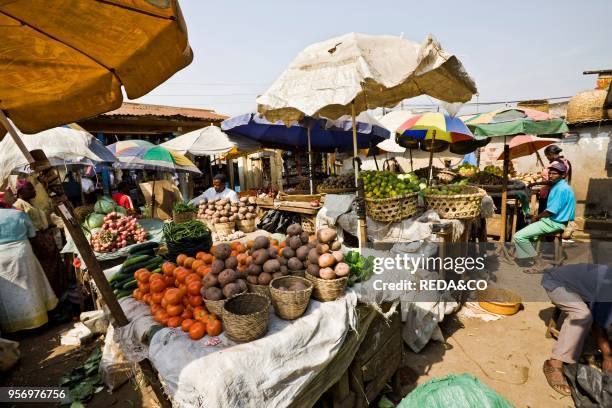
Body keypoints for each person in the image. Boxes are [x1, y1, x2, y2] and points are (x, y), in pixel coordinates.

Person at [541, 264, 612, 395]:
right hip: (556, 283)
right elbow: (597, 325)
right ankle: (554, 364)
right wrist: (607, 357)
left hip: (578, 287)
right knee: (583, 315)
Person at [0, 195, 58, 333]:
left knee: (8, 292)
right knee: (31, 287)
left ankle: (13, 327)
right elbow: (32, 235)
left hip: (1, 257)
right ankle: (39, 322)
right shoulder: (18, 215)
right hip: (22, 253)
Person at [513, 162, 575, 273]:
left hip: (554, 222)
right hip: (558, 221)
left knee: (518, 236)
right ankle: (527, 255)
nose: (551, 175)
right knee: (532, 236)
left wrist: (536, 217)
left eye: (554, 173)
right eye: (550, 173)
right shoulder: (564, 186)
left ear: (563, 175)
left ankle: (538, 262)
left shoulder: (560, 189)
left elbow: (550, 212)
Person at [13, 180, 66, 296]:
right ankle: (52, 297)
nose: (34, 191)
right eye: (30, 189)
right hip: (37, 241)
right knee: (47, 271)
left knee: (55, 268)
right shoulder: (18, 206)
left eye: (33, 188)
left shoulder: (32, 203)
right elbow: (25, 227)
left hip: (46, 239)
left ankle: (59, 295)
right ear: (21, 192)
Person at [537, 145, 572, 213]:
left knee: (545, 214)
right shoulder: (565, 161)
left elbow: (552, 181)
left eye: (546, 156)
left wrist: (536, 183)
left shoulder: (555, 164)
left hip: (550, 193)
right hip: (557, 191)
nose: (547, 158)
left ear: (550, 154)